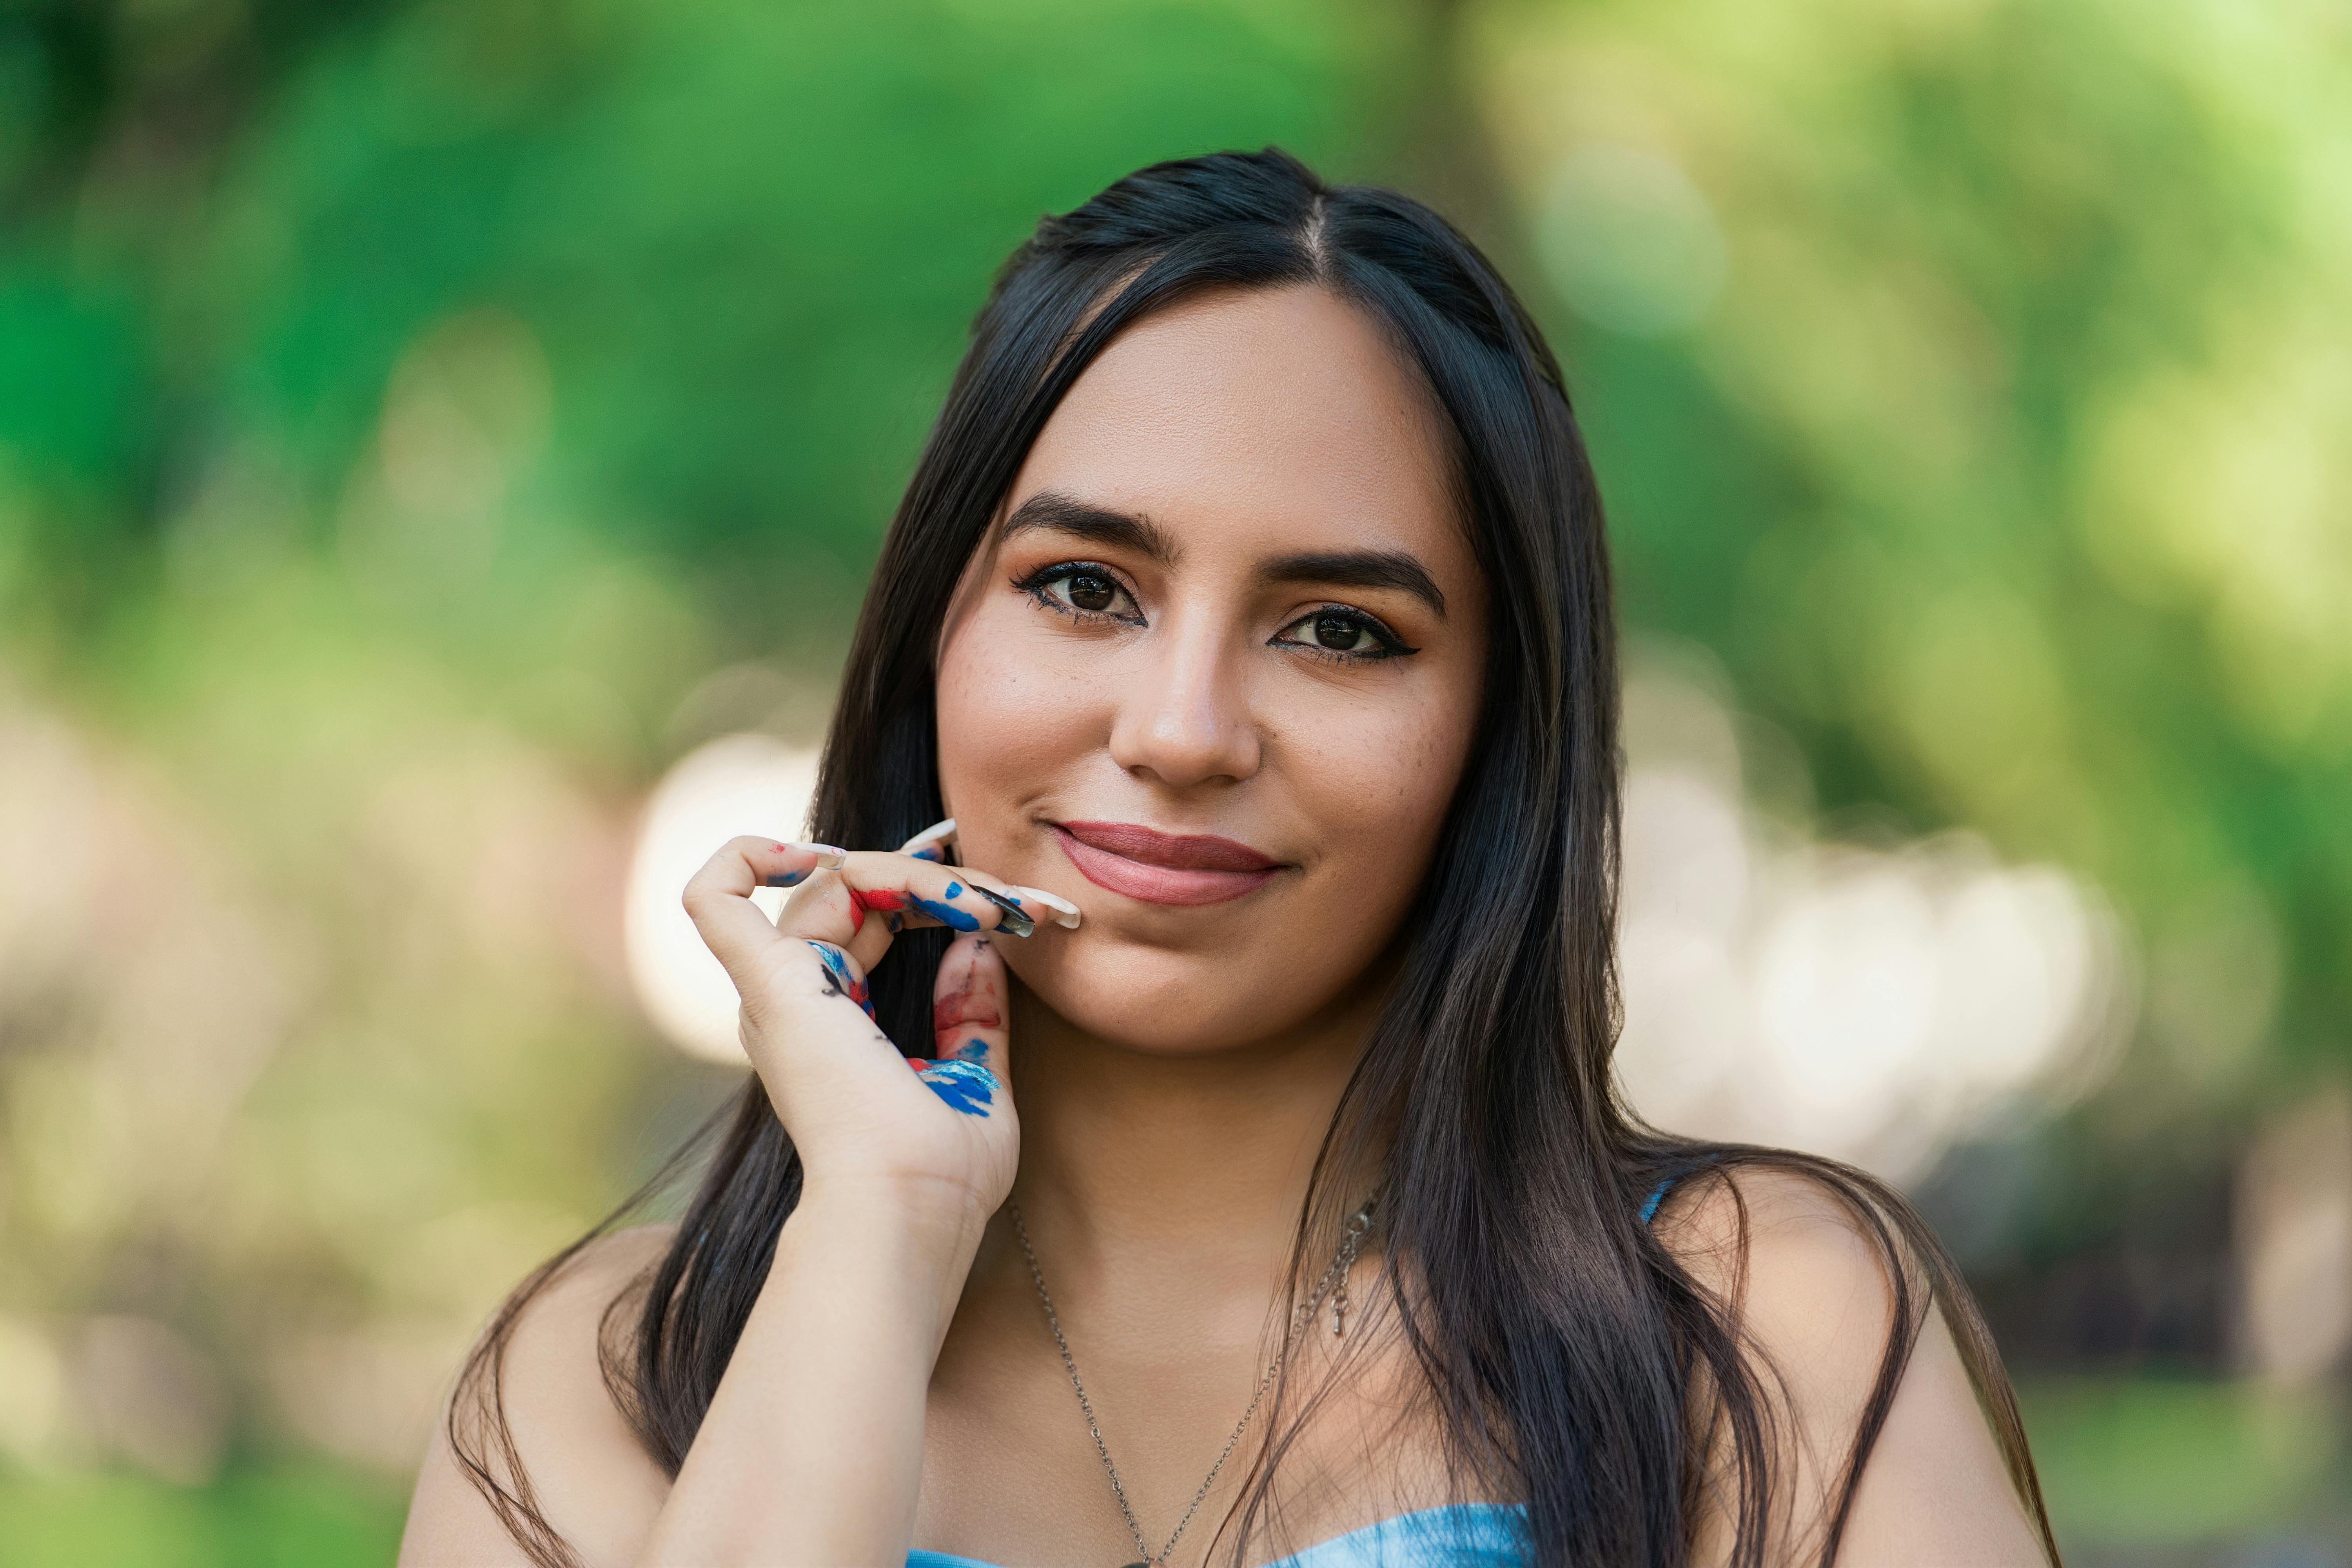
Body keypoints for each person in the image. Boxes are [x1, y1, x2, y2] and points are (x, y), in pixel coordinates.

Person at [397, 149, 2057, 1568]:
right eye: (1086, 588)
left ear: (1498, 727)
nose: (1185, 730)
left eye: (1339, 629)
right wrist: (879, 1225)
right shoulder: (602, 1379)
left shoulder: (1760, 1331)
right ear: (933, 634)